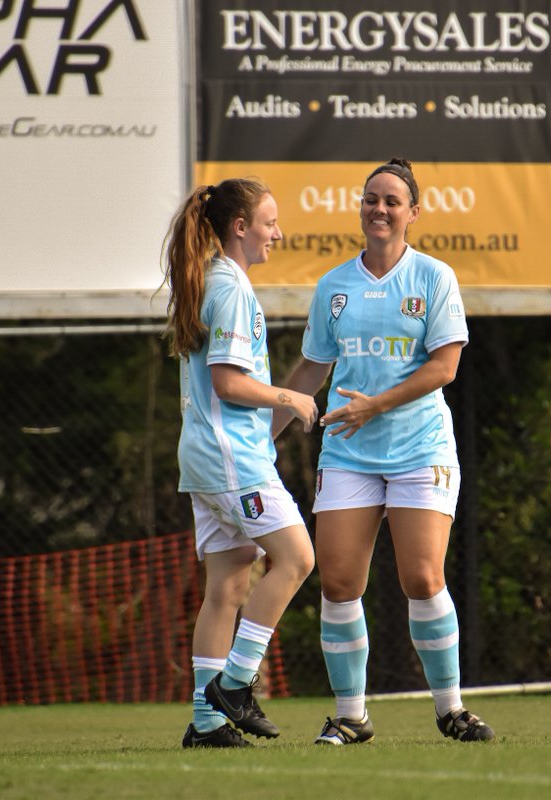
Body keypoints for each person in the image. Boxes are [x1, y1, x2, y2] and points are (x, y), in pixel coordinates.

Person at [276, 158, 494, 744]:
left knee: (422, 578)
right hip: (348, 452)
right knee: (339, 583)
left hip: (420, 448)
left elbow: (444, 368)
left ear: (413, 213)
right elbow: (312, 369)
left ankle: (451, 709)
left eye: (392, 200)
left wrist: (376, 404)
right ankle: (351, 716)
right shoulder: (334, 286)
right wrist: (261, 438)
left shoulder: (434, 278)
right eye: (371, 199)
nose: (379, 208)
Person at [161, 178, 318, 748]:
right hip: (232, 459)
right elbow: (227, 383)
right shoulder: (229, 289)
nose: (279, 232)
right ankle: (235, 684)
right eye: (271, 222)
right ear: (241, 227)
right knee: (298, 558)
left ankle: (206, 722)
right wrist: (289, 397)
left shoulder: (214, 281)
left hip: (207, 458)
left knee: (227, 587)